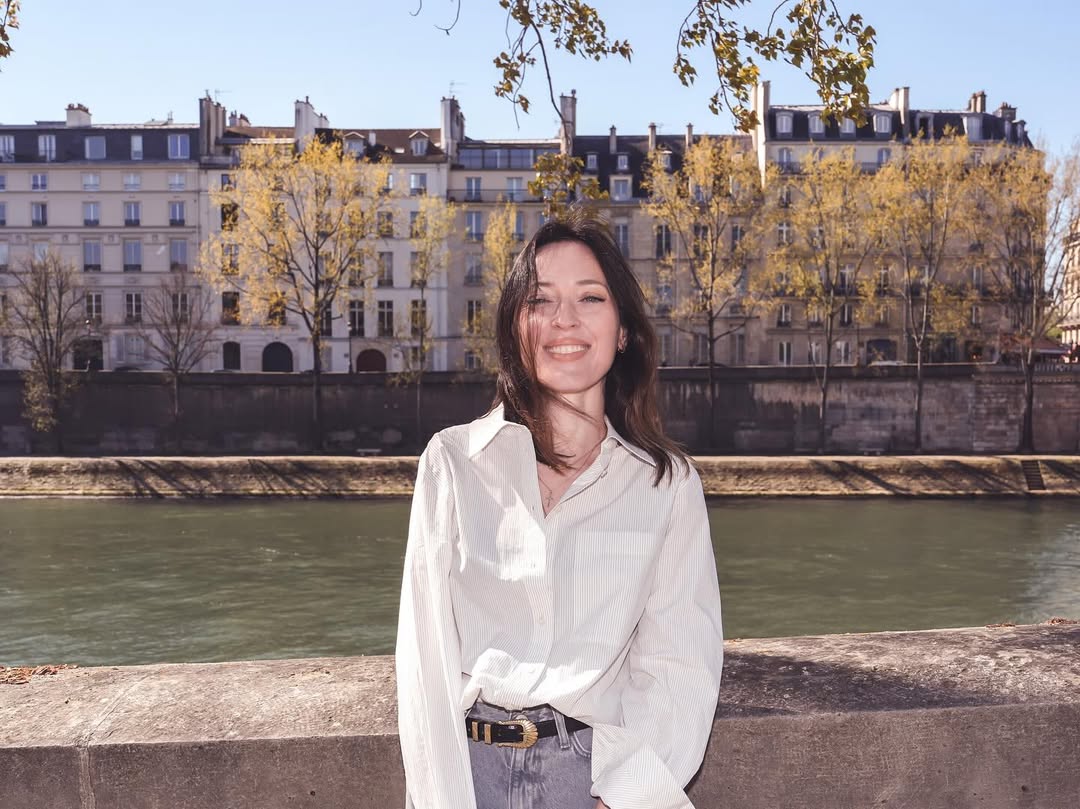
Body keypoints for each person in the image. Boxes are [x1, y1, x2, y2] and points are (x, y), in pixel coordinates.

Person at [396, 210, 723, 809]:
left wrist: (624, 797)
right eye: (539, 300)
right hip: (470, 778)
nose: (563, 320)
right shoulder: (452, 463)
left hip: (596, 778)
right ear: (515, 326)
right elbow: (424, 663)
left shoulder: (665, 486)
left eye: (590, 298)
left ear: (623, 330)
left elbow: (681, 663)